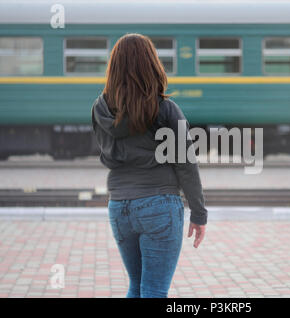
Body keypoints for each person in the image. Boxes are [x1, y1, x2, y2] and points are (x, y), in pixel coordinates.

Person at [91, 33, 208, 298]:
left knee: (137, 285)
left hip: (119, 207)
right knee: (153, 290)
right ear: (151, 64)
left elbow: (106, 156)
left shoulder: (99, 110)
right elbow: (186, 165)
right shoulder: (165, 110)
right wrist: (199, 214)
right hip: (159, 206)